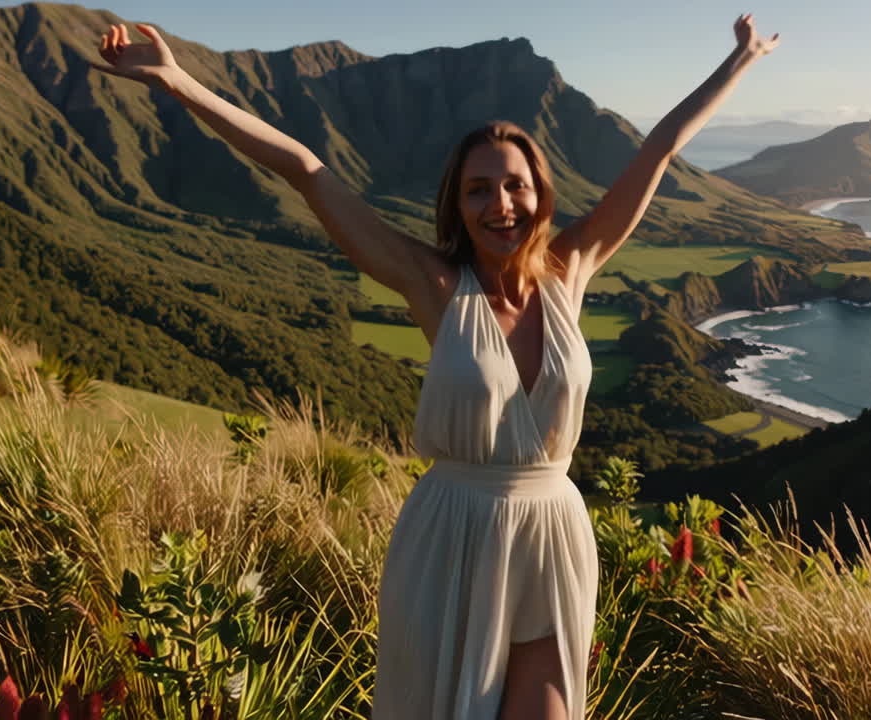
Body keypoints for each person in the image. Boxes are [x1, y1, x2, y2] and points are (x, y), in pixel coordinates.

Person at [93, 14, 778, 719]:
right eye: (478, 189)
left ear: (540, 194)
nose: (500, 205)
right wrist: (175, 81)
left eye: (514, 186)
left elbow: (660, 149)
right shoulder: (435, 285)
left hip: (553, 535)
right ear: (457, 204)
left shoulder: (571, 270)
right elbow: (304, 168)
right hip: (453, 537)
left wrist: (742, 59)